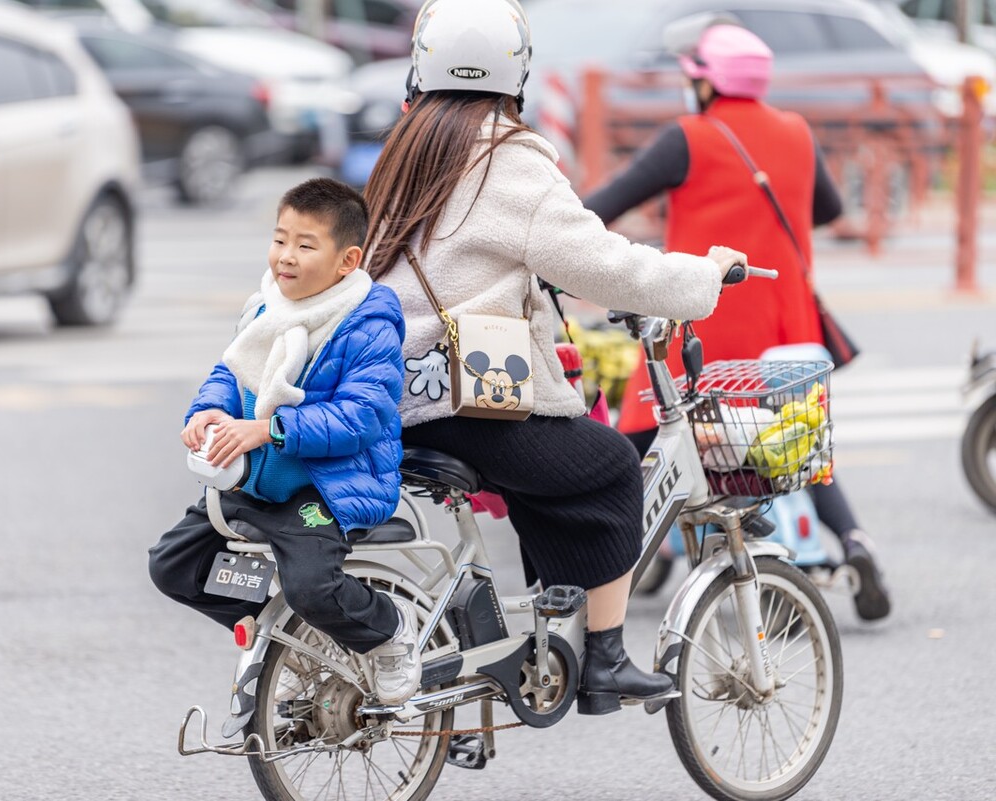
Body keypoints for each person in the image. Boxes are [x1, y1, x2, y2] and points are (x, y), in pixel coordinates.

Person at [363, 0, 748, 715]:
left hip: (394, 393)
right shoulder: (507, 160)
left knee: (549, 470)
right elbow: (606, 264)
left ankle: (544, 634)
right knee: (610, 466)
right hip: (469, 399)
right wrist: (702, 276)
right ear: (516, 74)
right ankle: (605, 661)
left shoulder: (408, 149)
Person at [583, 20, 891, 622]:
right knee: (792, 442)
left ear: (704, 82)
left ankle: (594, 563)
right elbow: (829, 207)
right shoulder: (796, 131)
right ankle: (854, 540)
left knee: (638, 439)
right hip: (785, 324)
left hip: (705, 326)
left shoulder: (689, 137)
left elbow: (601, 208)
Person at [148, 178, 423, 705]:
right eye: (279, 239)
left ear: (347, 261)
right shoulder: (265, 307)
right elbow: (231, 372)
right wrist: (208, 410)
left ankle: (389, 628)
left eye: (305, 244)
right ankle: (293, 640)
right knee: (173, 567)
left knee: (312, 587)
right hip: (257, 476)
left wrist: (270, 429)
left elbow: (363, 416)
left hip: (324, 485)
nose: (286, 256)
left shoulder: (368, 322)